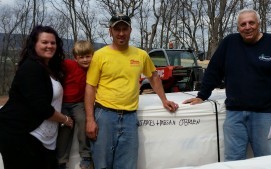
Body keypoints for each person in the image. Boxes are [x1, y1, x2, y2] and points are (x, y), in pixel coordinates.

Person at [183, 8, 271, 161]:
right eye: (243, 24)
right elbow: (214, 70)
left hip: (265, 114)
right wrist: (202, 95)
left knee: (265, 160)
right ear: (238, 28)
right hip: (235, 114)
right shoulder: (229, 43)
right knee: (233, 159)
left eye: (251, 22)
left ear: (258, 23)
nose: (247, 27)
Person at [84, 13, 179, 169]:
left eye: (124, 29)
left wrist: (164, 100)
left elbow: (154, 77)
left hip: (129, 117)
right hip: (104, 116)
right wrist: (90, 119)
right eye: (117, 29)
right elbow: (90, 87)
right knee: (101, 164)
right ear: (110, 31)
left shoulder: (141, 55)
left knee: (127, 165)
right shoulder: (99, 56)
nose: (121, 33)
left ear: (130, 30)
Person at [0, 25, 73, 169]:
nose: (50, 46)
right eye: (44, 42)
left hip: (43, 140)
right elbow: (41, 108)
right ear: (34, 44)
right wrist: (66, 120)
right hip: (21, 135)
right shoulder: (30, 68)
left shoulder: (50, 69)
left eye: (53, 43)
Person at [56, 40, 94, 169]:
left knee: (83, 121)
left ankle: (86, 155)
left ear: (92, 55)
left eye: (88, 56)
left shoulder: (93, 69)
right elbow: (55, 63)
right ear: (75, 57)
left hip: (78, 103)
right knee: (65, 128)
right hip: (63, 103)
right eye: (81, 57)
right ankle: (61, 161)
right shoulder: (69, 65)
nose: (84, 60)